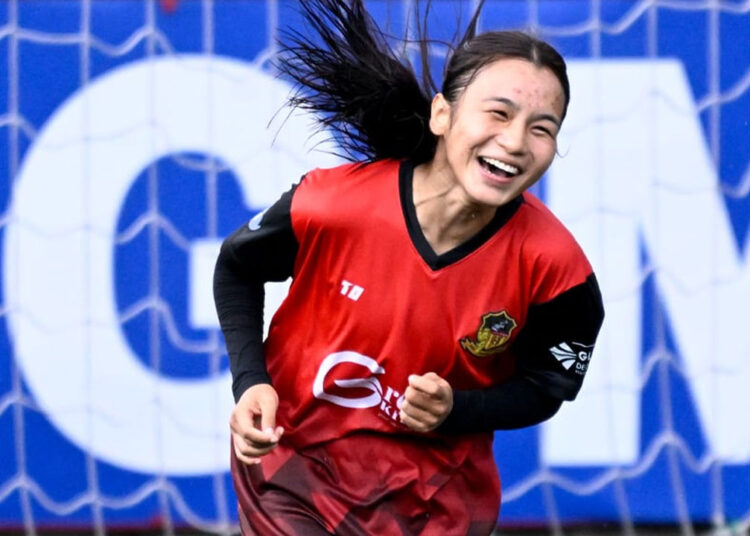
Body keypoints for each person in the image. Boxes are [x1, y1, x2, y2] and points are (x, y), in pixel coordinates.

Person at [213, 0, 604, 534]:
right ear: (442, 115)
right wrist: (251, 382)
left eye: (542, 128)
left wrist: (457, 409)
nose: (515, 142)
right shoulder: (331, 205)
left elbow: (546, 386)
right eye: (498, 113)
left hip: (438, 502)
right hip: (296, 470)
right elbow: (236, 267)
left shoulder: (559, 269)